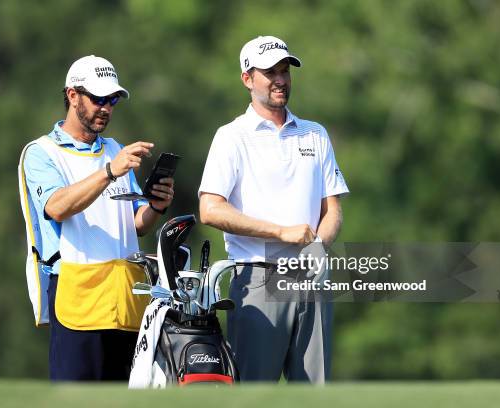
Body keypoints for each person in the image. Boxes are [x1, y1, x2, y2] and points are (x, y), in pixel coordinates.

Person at [198, 36, 349, 382]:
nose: (281, 80)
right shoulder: (231, 136)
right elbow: (210, 209)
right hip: (257, 277)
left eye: (285, 71)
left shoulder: (315, 135)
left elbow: (333, 209)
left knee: (314, 393)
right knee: (254, 391)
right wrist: (280, 231)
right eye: (270, 73)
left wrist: (317, 244)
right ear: (247, 79)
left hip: (311, 277)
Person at [18, 55, 174, 381]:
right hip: (77, 294)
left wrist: (156, 207)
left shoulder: (114, 148)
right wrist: (109, 171)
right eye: (98, 98)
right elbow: (57, 207)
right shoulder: (41, 152)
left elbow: (135, 224)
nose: (106, 107)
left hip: (123, 295)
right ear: (72, 96)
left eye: (112, 99)